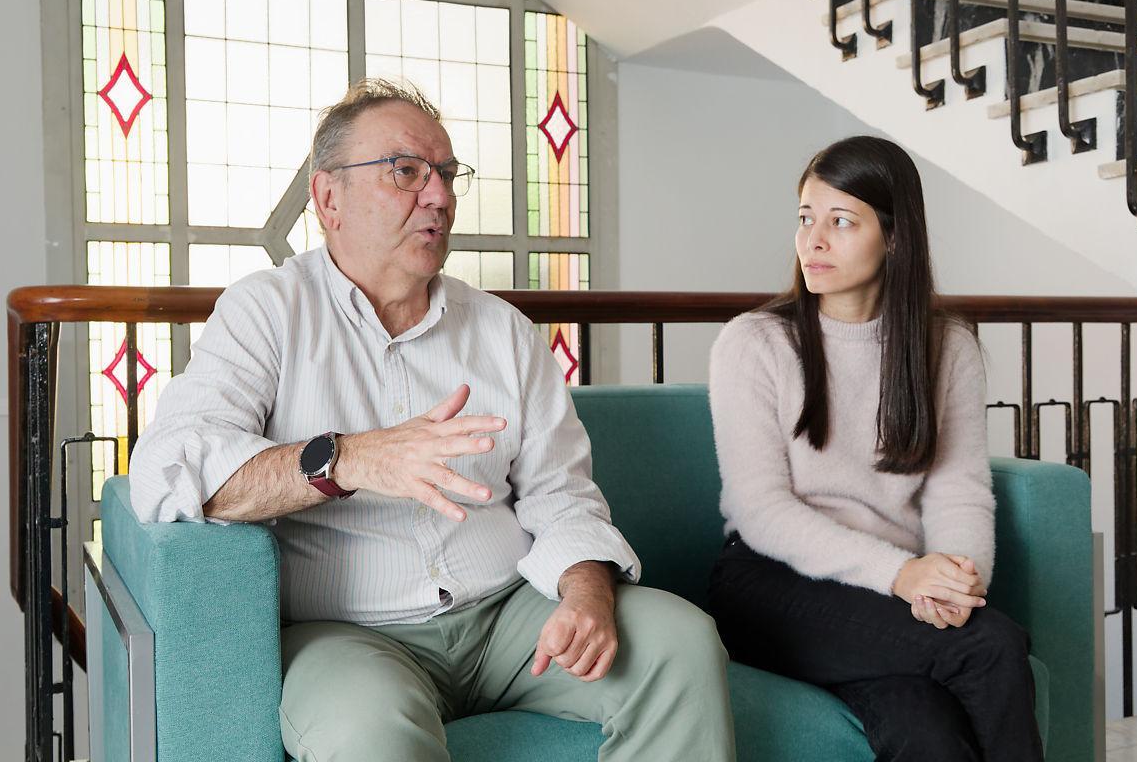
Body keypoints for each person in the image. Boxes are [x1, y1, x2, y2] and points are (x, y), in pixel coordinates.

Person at [129, 78, 735, 762]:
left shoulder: (503, 331)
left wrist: (588, 591)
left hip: (509, 614)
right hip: (350, 633)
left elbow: (559, 494)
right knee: (368, 731)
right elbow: (170, 466)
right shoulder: (266, 312)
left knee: (679, 641)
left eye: (447, 174)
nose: (440, 196)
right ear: (329, 198)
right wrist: (350, 460)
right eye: (406, 171)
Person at [707, 136, 1042, 761]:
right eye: (806, 218)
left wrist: (954, 582)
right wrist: (902, 575)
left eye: (842, 221)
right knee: (990, 644)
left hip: (889, 596)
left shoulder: (946, 347)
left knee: (926, 731)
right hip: (770, 584)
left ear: (894, 237)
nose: (814, 241)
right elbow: (759, 509)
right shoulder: (754, 343)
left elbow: (958, 490)